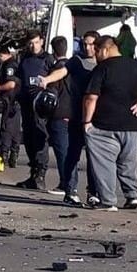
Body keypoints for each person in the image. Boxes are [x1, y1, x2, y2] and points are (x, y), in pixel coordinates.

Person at [84, 35, 137, 211]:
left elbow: (91, 97)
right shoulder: (136, 65)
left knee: (105, 163)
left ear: (105, 49)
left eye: (97, 50)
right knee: (128, 163)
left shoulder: (102, 68)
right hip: (131, 124)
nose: (95, 55)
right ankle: (133, 196)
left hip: (104, 125)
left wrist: (87, 122)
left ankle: (108, 200)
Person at [39, 31, 100, 206]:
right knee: (72, 155)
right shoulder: (76, 61)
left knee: (94, 157)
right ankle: (70, 189)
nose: (87, 48)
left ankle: (93, 192)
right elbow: (62, 72)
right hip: (76, 115)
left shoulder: (103, 64)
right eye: (84, 44)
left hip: (96, 117)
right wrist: (47, 80)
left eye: (91, 44)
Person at [15, 30, 55, 190]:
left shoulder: (48, 59)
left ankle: (40, 174)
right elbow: (19, 80)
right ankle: (33, 174)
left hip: (41, 106)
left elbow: (55, 81)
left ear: (42, 41)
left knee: (40, 138)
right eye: (30, 43)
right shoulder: (24, 59)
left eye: (36, 42)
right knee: (29, 138)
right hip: (25, 103)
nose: (33, 46)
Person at [44, 36, 72, 198]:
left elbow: (51, 94)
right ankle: (68, 183)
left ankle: (65, 183)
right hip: (71, 113)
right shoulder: (73, 66)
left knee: (62, 151)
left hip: (59, 114)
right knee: (68, 150)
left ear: (53, 51)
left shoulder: (56, 69)